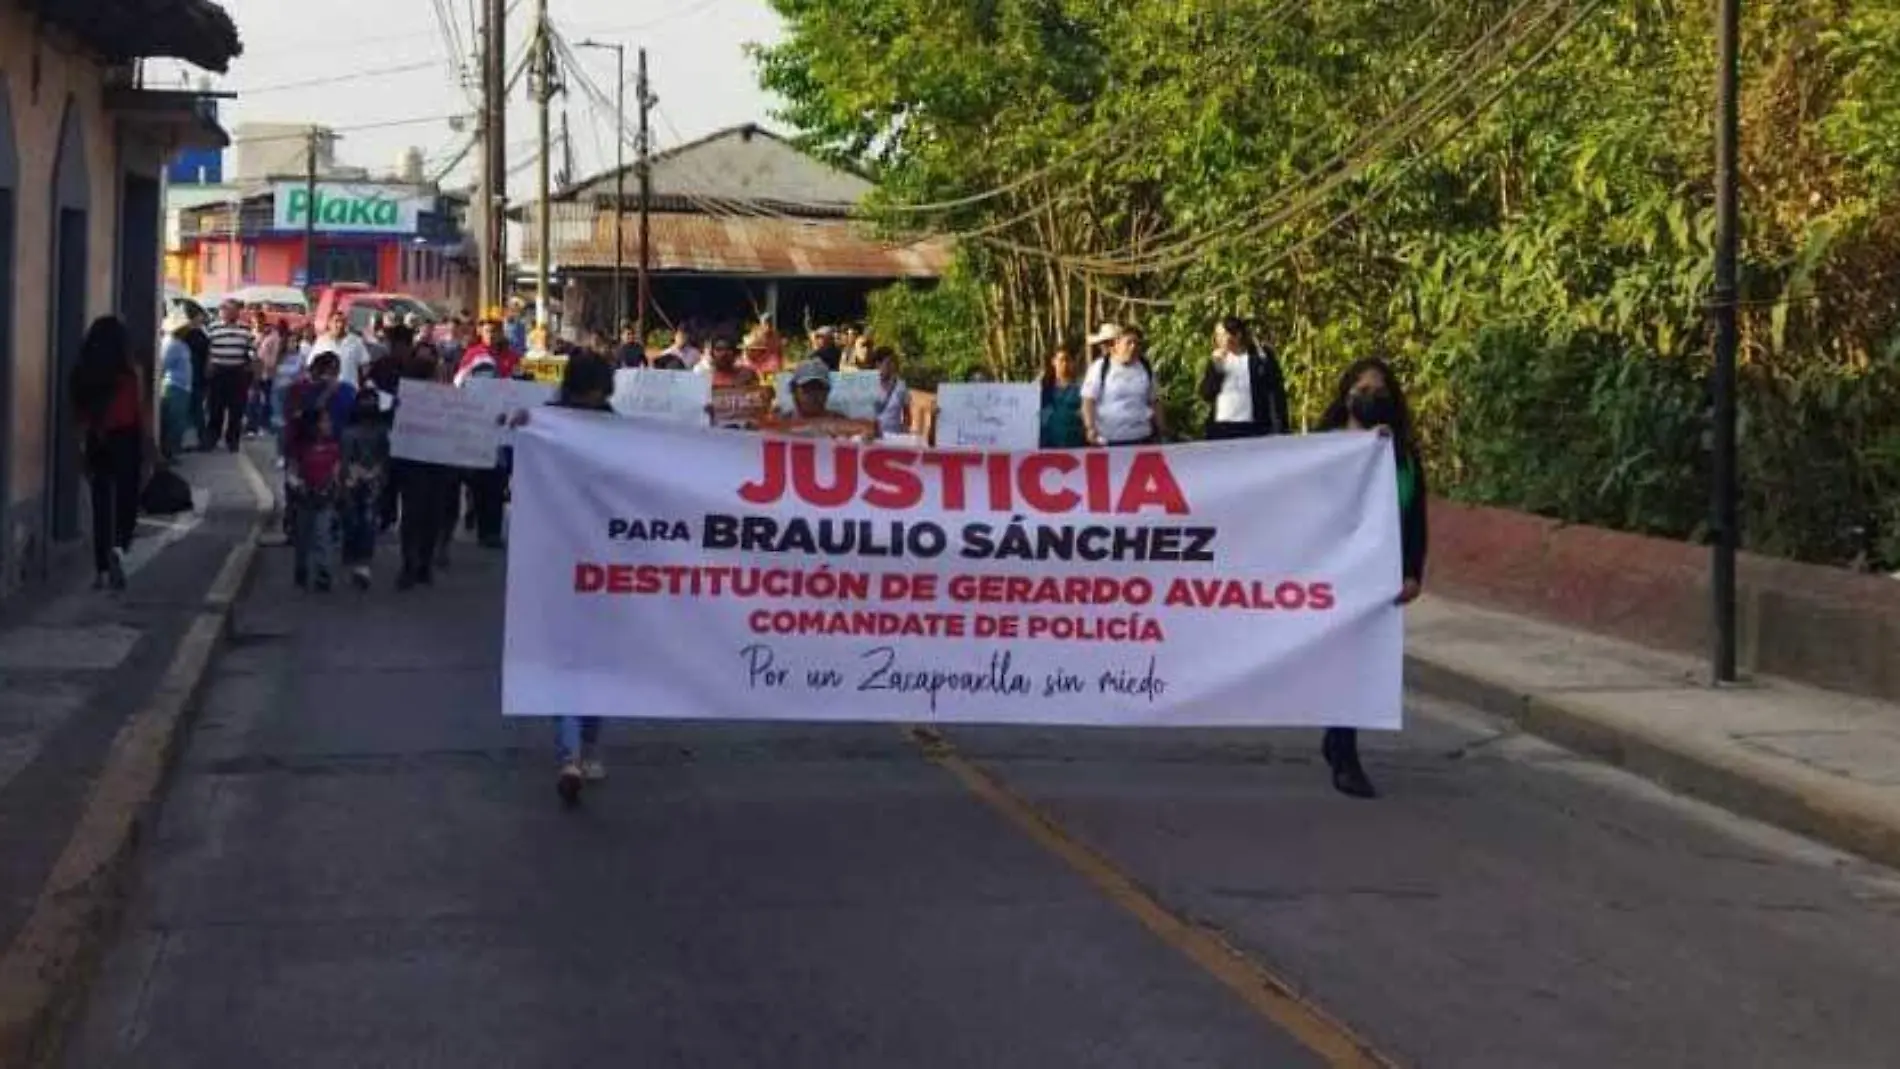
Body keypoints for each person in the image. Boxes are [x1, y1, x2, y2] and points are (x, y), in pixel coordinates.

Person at [505, 353, 618, 805]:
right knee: (577, 660)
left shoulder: (597, 425)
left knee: (583, 660)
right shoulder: (557, 423)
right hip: (575, 560)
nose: (597, 397)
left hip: (583, 559)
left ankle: (580, 748)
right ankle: (575, 753)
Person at [1317, 356, 1429, 799]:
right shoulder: (1321, 448)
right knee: (1339, 660)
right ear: (1346, 394)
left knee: (1360, 662)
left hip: (1378, 573)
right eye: (1362, 389)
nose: (1370, 397)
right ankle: (1342, 750)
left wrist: (1413, 572)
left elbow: (1415, 518)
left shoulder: (1401, 455)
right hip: (1330, 571)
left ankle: (1341, 745)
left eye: (1379, 391)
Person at [70, 316, 154, 591]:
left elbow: (79, 416)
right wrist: (149, 446)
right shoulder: (130, 372)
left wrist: (82, 447)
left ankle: (101, 570)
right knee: (127, 498)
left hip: (97, 438)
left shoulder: (82, 372)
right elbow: (139, 412)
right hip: (126, 439)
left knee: (100, 502)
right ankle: (119, 546)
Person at [393, 343, 453, 589]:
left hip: (432, 464)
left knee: (423, 516)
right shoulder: (407, 400)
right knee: (421, 515)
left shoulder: (448, 400)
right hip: (419, 463)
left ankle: (419, 564)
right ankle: (414, 564)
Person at [1200, 316, 1291, 439]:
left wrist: (1281, 425)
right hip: (1222, 427)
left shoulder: (1260, 357)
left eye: (1223, 335)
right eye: (1217, 336)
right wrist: (1216, 368)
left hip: (1253, 427)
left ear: (1237, 335)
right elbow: (1206, 394)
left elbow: (1276, 391)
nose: (1218, 340)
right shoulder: (1217, 359)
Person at [1080, 325, 1166, 446]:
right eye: (1129, 343)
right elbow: (1088, 401)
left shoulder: (1146, 368)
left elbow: (1155, 401)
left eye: (1137, 343)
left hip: (1142, 437)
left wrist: (1161, 428)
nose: (1133, 347)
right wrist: (1090, 427)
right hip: (1109, 439)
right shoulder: (1100, 367)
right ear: (1117, 344)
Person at [289, 406, 344, 593]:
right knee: (303, 537)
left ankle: (323, 572)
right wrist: (299, 486)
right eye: (324, 421)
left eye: (328, 421)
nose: (329, 424)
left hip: (325, 497)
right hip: (304, 497)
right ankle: (301, 569)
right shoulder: (301, 448)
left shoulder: (333, 447)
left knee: (322, 534)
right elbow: (293, 471)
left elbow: (336, 471)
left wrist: (331, 488)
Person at [339, 388, 389, 590]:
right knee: (353, 518)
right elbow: (345, 458)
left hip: (370, 480)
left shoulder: (380, 432)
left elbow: (384, 457)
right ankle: (353, 552)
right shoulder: (349, 433)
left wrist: (373, 473)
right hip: (355, 479)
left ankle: (362, 558)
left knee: (366, 520)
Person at [204, 299, 256, 453]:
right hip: (218, 372)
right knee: (215, 408)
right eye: (228, 310)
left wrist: (251, 367)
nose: (232, 313)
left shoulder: (245, 329)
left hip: (237, 372)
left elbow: (251, 351)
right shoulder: (213, 328)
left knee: (236, 409)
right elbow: (208, 349)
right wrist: (208, 367)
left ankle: (232, 441)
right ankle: (212, 438)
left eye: (235, 310)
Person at [157, 313, 196, 461]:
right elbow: (163, 366)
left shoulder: (180, 344)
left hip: (181, 386)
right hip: (174, 386)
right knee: (174, 422)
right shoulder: (172, 344)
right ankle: (169, 452)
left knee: (177, 421)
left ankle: (171, 451)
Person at [1039, 343, 1087, 448]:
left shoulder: (1083, 388)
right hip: (1048, 445)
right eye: (1061, 360)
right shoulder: (1042, 388)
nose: (1064, 363)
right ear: (1053, 362)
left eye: (1068, 360)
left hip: (1076, 443)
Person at [184, 306, 212, 450]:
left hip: (196, 376)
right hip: (192, 375)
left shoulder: (198, 334)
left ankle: (200, 439)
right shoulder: (191, 334)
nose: (202, 319)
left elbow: (208, 356)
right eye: (200, 316)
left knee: (195, 409)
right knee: (195, 409)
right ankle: (199, 439)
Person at [871, 348, 910, 435]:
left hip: (894, 437)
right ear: (878, 364)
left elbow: (907, 414)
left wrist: (905, 427)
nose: (892, 367)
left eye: (893, 363)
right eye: (888, 363)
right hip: (872, 436)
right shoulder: (868, 384)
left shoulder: (901, 386)